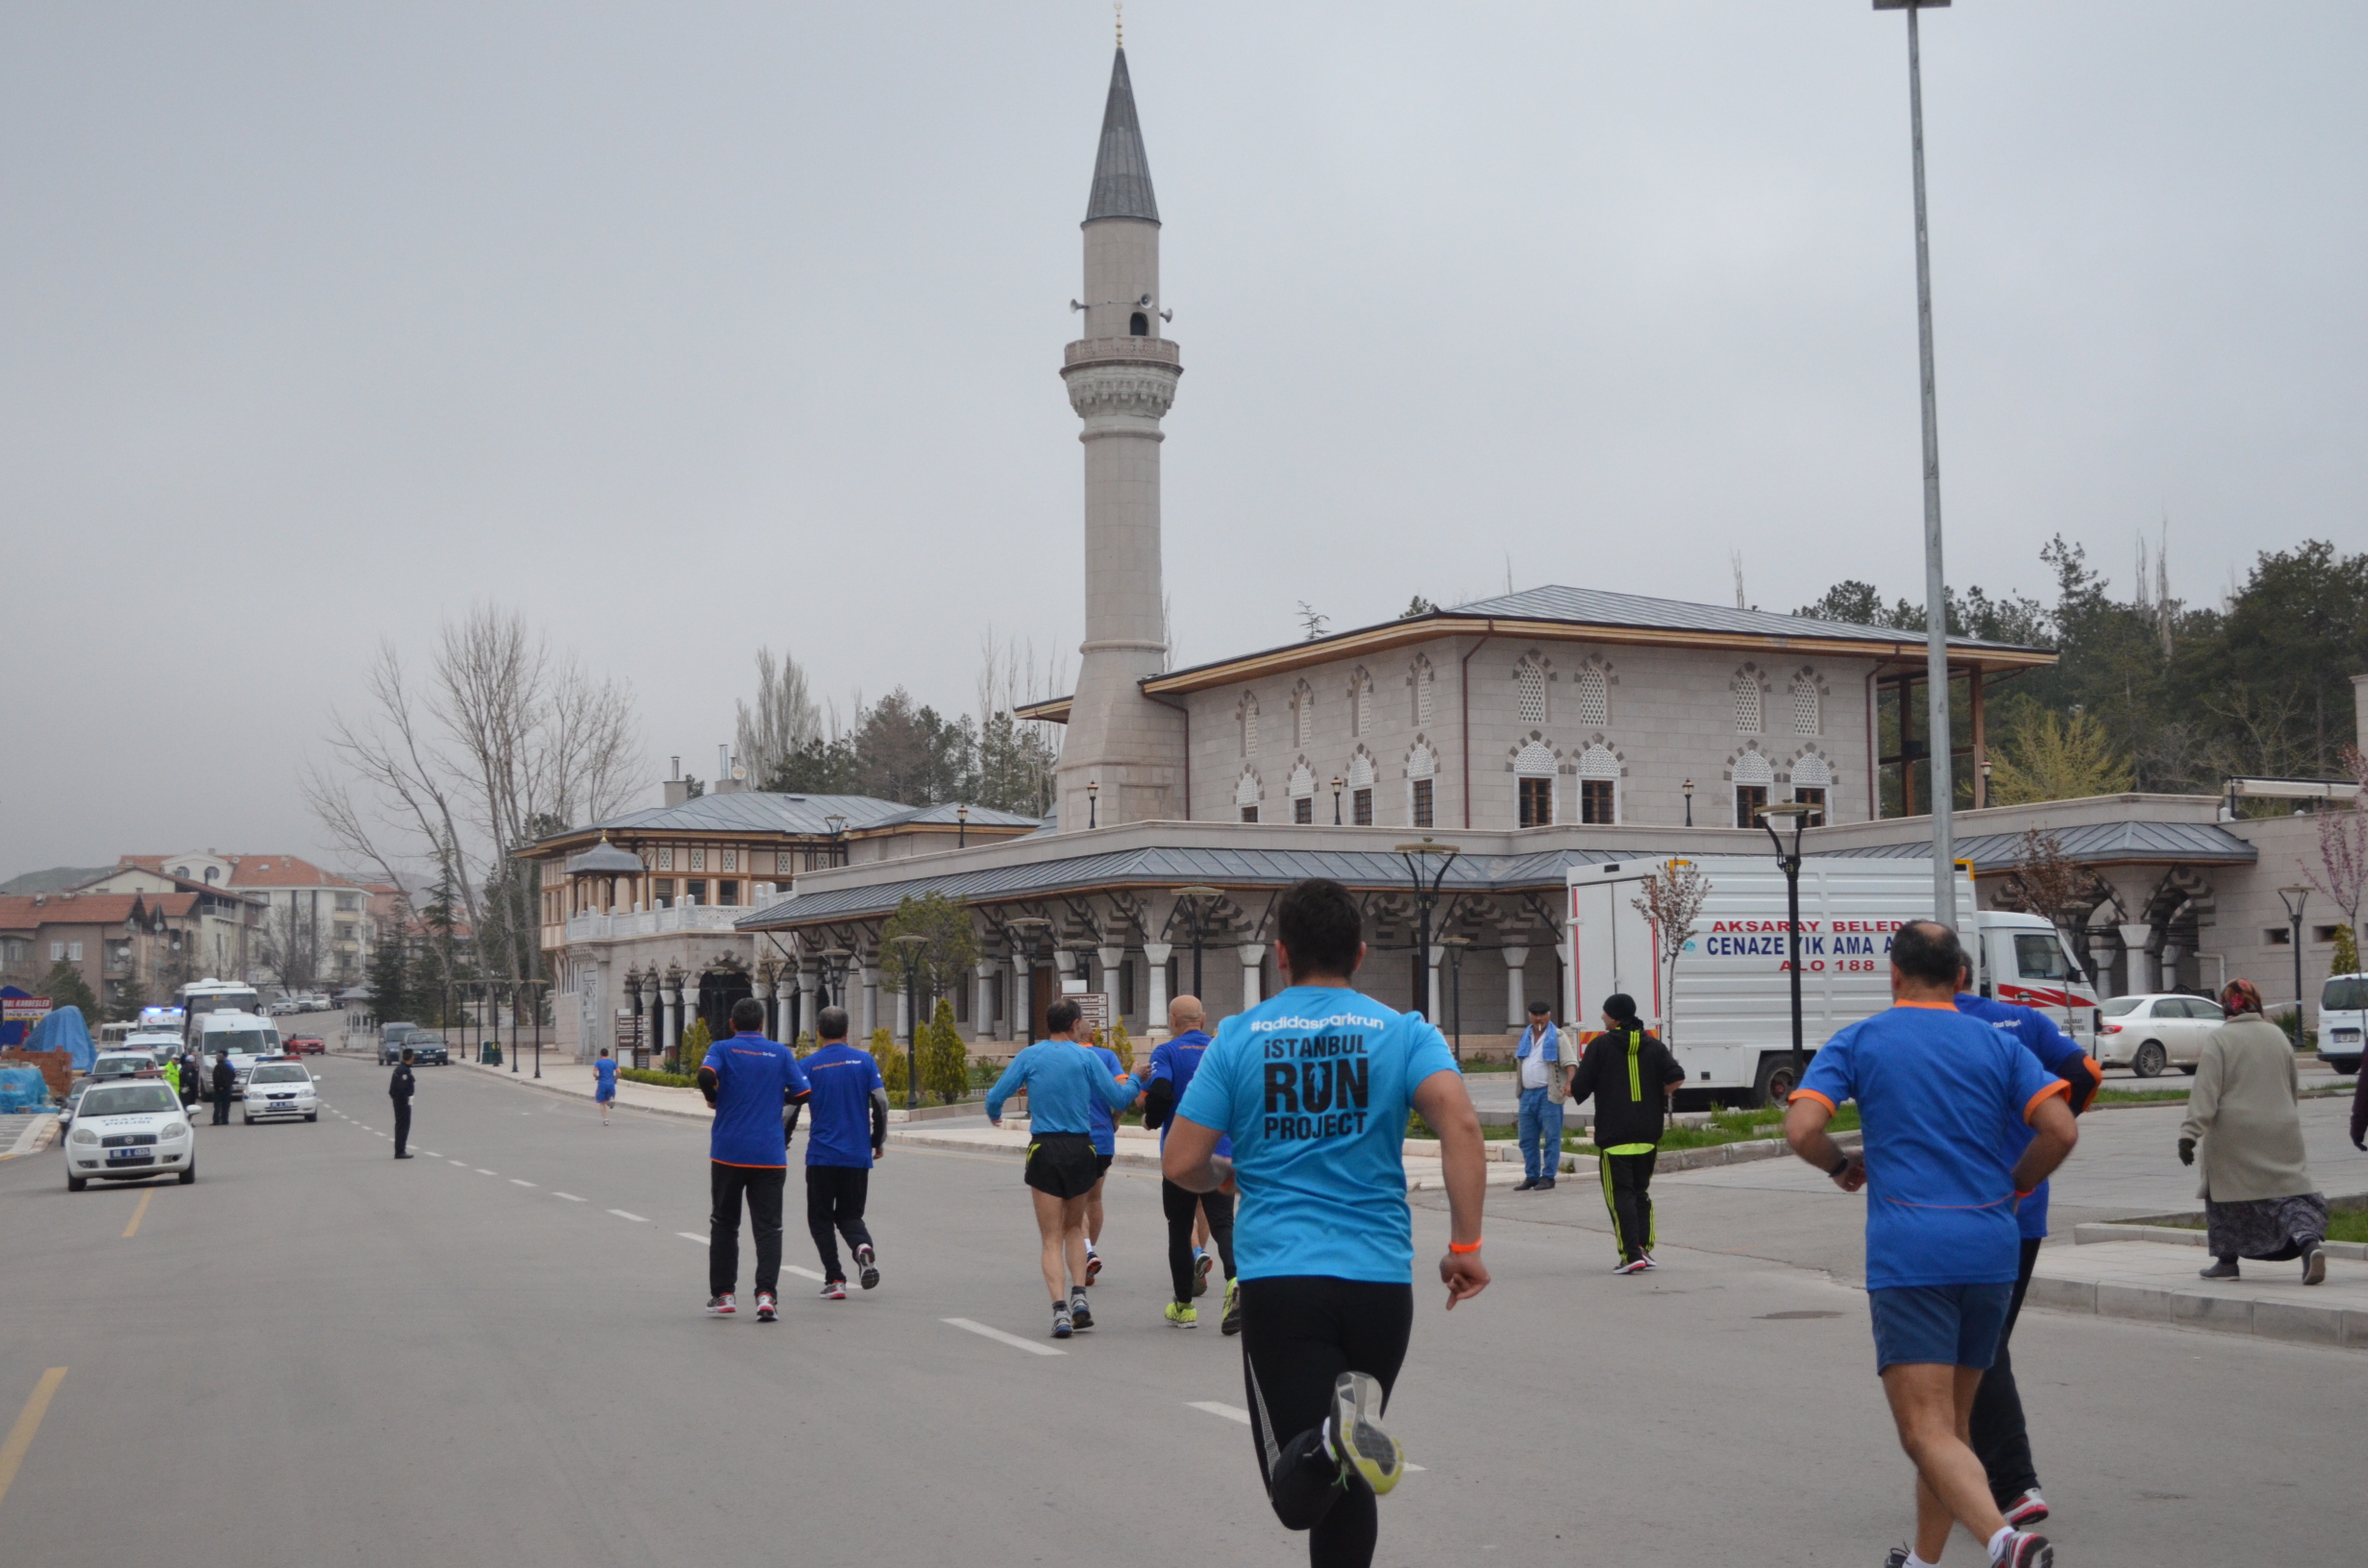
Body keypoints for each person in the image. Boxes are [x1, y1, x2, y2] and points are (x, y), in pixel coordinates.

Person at [1164, 878, 1490, 1568]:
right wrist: (1465, 1245)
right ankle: (1340, 1440)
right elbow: (1461, 1123)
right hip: (1377, 1286)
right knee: (1353, 1468)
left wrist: (1224, 1176)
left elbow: (1181, 1159)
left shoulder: (1239, 1038)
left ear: (1280, 955)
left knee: (1300, 1489)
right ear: (1361, 954)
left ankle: (1328, 1441)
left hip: (1283, 1283)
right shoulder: (1403, 1032)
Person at [1785, 920, 2078, 1568]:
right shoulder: (1997, 1044)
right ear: (1962, 978)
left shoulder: (1861, 1039)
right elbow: (2059, 1129)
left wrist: (1840, 1164)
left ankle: (2005, 1542)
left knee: (1922, 1430)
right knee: (1952, 1429)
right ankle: (1923, 1561)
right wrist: (2015, 1186)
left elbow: (1803, 1127)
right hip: (1991, 1246)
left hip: (1911, 1252)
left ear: (1893, 975)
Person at [1954, 955, 2104, 1530]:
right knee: (1985, 1342)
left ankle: (2013, 1483)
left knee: (1977, 1348)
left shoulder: (1920, 1026)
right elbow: (2088, 1070)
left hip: (1956, 1206)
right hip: (2023, 1203)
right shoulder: (2025, 1023)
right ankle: (1974, 1477)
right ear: (1969, 974)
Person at [984, 997, 1143, 1338]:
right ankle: (1080, 1298)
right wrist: (1136, 1080)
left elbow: (995, 1095)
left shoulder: (1030, 1055)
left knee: (1050, 1237)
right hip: (1081, 1147)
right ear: (1074, 1025)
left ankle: (1059, 1312)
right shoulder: (1086, 1056)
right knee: (1074, 1229)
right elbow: (1118, 1098)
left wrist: (995, 1113)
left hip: (1045, 1147)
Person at [2181, 978, 2329, 1286]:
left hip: (2234, 1133)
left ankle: (2226, 1262)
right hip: (2281, 1126)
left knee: (2223, 1194)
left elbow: (2205, 1093)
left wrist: (2189, 1134)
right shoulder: (2277, 1035)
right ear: (2256, 1002)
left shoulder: (2221, 1040)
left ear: (2226, 1007)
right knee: (2288, 1193)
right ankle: (2307, 1241)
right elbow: (2291, 1086)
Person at [696, 996, 813, 1322]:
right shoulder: (779, 1053)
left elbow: (706, 1075)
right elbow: (804, 1093)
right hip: (769, 1154)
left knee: (724, 1223)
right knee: (769, 1228)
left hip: (729, 1152)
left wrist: (715, 1098)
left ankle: (724, 1294)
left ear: (732, 1024)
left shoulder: (721, 1048)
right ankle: (766, 1296)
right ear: (762, 1025)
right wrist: (778, 1095)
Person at [1140, 994, 1241, 1331]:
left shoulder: (1166, 1052)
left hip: (1181, 1155)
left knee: (1180, 1228)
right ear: (1204, 1017)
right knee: (1224, 1222)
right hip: (1223, 1151)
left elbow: (1162, 1090)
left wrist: (1152, 1119)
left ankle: (1184, 1307)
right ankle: (1235, 1281)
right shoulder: (1221, 1050)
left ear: (1172, 1020)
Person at [1564, 992, 1683, 1273]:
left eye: (1605, 1013)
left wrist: (1569, 1087)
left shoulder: (1600, 1046)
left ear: (1615, 1017)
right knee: (1640, 1192)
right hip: (1647, 1133)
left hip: (1615, 1134)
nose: (1602, 1017)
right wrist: (1657, 1094)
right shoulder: (1653, 1044)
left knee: (1620, 1195)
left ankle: (1630, 1255)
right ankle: (1643, 1248)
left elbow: (1580, 1087)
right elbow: (1676, 1076)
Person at [790, 1006, 889, 1299]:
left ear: (818, 1032)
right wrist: (877, 1141)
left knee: (820, 1218)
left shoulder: (807, 1065)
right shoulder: (865, 1061)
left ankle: (835, 1278)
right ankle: (862, 1248)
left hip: (821, 1156)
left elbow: (789, 1107)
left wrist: (782, 1139)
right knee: (850, 1214)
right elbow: (881, 1102)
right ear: (847, 1032)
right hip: (857, 1156)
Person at [1512, 1000, 1573, 1190]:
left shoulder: (1557, 1036)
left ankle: (1548, 1176)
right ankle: (1531, 1175)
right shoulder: (1526, 1036)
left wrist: (1569, 1083)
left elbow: (1570, 1063)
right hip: (1527, 1094)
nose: (1539, 1019)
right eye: (1534, 1015)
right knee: (1527, 1138)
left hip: (1548, 1094)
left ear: (1549, 1016)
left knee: (1551, 1136)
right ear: (1529, 1016)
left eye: (1542, 1015)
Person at [388, 1046, 416, 1159]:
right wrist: (405, 1101)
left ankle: (400, 1150)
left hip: (400, 1102)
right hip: (402, 1104)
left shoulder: (401, 1069)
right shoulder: (403, 1071)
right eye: (413, 1056)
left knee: (401, 1126)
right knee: (403, 1127)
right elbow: (401, 1089)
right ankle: (400, 1151)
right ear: (410, 1058)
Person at [594, 1047, 618, 1125]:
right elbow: (619, 1072)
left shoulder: (598, 1063)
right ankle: (610, 1101)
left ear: (601, 1054)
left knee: (601, 1103)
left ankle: (606, 1119)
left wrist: (596, 1077)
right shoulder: (612, 1062)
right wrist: (616, 1078)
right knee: (608, 1097)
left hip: (602, 1084)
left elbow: (594, 1073)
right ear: (608, 1054)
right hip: (611, 1083)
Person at [210, 1051, 234, 1126]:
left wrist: (219, 1086)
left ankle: (216, 1120)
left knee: (217, 1105)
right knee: (226, 1105)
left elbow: (216, 1078)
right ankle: (225, 1120)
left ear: (218, 1059)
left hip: (219, 1089)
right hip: (227, 1088)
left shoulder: (217, 1067)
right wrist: (229, 1084)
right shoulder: (228, 1066)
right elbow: (233, 1075)